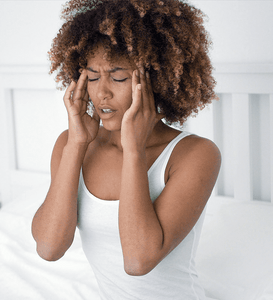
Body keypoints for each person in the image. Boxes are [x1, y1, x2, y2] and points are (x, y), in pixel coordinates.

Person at [31, 0, 221, 299]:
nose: (102, 92)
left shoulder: (195, 154)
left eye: (118, 77)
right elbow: (49, 247)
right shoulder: (71, 144)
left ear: (156, 80)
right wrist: (76, 146)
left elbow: (138, 260)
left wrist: (134, 150)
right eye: (92, 77)